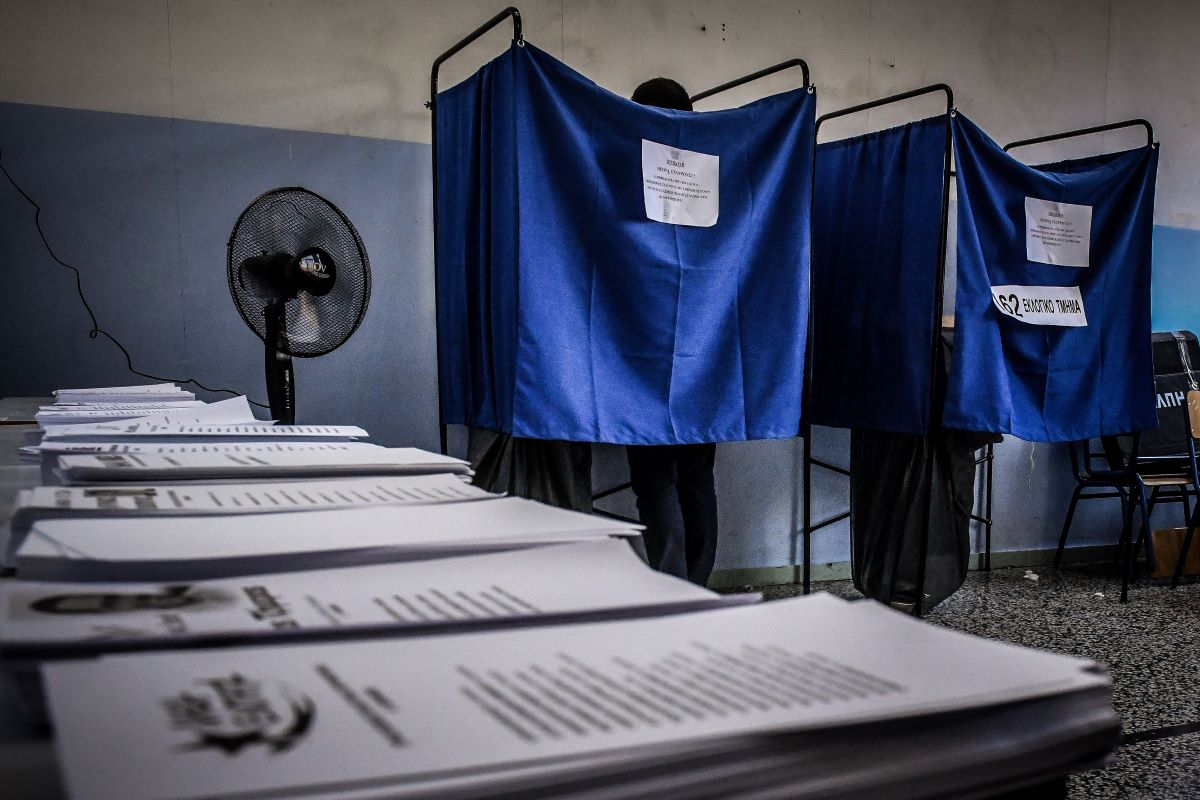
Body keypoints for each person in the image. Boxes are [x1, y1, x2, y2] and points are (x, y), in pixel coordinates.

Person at [626, 77, 719, 587]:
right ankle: (696, 586)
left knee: (655, 479)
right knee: (696, 476)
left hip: (640, 352)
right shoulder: (711, 172)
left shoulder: (630, 170)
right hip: (705, 353)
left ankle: (670, 588)